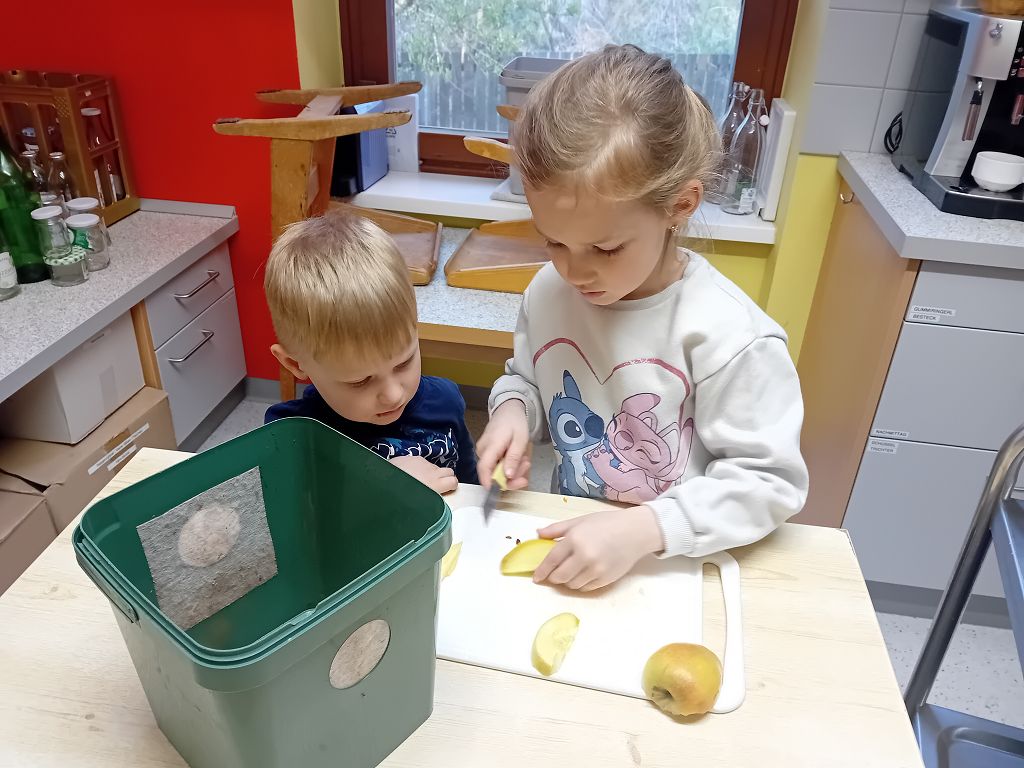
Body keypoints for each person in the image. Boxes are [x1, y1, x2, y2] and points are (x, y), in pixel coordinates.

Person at [477, 44, 808, 591]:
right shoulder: (548, 292)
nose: (574, 271)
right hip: (576, 544)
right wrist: (513, 411)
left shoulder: (730, 335)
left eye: (605, 248)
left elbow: (768, 482)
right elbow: (528, 378)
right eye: (553, 241)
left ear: (680, 205)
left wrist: (643, 530)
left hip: (675, 565)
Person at [264, 212, 478, 494]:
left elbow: (470, 484)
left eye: (404, 362)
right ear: (294, 363)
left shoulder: (445, 400)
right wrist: (381, 486)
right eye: (360, 381)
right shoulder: (294, 434)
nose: (393, 395)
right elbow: (292, 511)